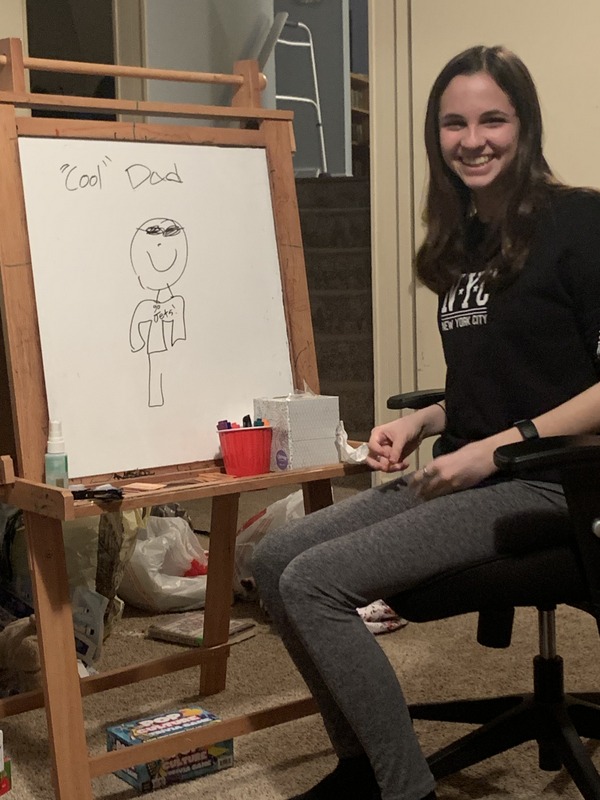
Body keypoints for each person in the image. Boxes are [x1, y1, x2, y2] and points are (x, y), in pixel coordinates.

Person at [251, 44, 600, 800]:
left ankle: (406, 791)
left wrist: (496, 450)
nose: (472, 140)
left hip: (554, 481)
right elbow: (501, 377)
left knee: (315, 583)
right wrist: (427, 420)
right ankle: (361, 770)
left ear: (525, 125)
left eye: (492, 120)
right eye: (453, 123)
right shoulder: (465, 242)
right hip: (472, 469)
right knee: (273, 562)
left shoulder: (581, 221)